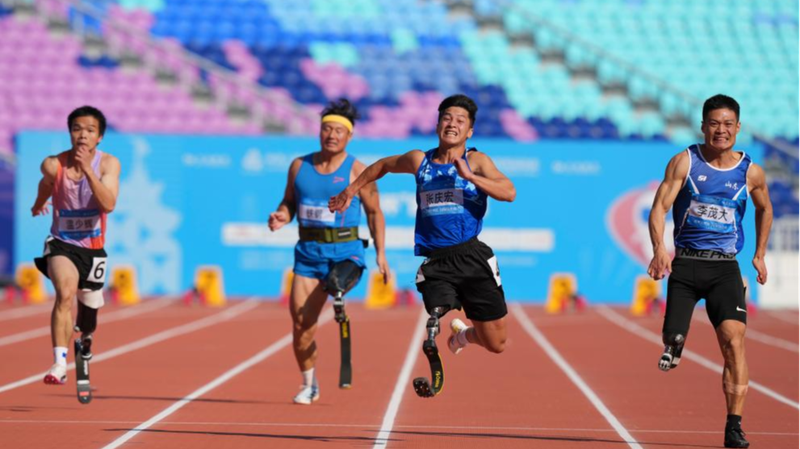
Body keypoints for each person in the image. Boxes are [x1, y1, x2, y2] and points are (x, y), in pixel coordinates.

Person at [329, 94, 516, 392]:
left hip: (473, 256)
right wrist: (351, 191)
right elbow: (383, 166)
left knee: (497, 343)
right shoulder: (420, 161)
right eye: (447, 118)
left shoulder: (477, 161)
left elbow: (509, 192)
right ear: (438, 123)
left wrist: (471, 177)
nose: (452, 124)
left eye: (460, 121)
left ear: (469, 132)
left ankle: (464, 336)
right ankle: (435, 329)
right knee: (436, 312)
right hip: (438, 261)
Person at [647, 94, 772, 448]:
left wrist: (760, 254)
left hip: (725, 269)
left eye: (728, 124)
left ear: (738, 128)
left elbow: (766, 209)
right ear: (703, 126)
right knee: (672, 336)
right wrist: (660, 249)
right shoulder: (684, 163)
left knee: (734, 343)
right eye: (715, 124)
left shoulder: (751, 172)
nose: (721, 130)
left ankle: (734, 426)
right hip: (686, 264)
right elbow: (658, 208)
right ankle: (676, 342)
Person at [269, 98, 389, 405]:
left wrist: (381, 254)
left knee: (336, 283)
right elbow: (289, 202)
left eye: (338, 130)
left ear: (349, 136)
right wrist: (283, 214)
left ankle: (337, 290)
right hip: (308, 255)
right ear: (319, 132)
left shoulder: (358, 170)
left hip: (345, 252)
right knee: (300, 324)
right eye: (326, 129)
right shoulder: (299, 166)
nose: (331, 135)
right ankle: (309, 384)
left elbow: (375, 213)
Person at [31, 106, 121, 385]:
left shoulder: (109, 164)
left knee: (88, 314)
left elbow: (108, 204)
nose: (83, 135)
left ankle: (86, 339)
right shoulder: (53, 164)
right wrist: (38, 204)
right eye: (77, 129)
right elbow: (46, 183)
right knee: (64, 293)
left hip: (93, 249)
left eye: (90, 130)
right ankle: (59, 364)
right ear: (70, 133)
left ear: (100, 137)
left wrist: (86, 171)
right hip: (62, 244)